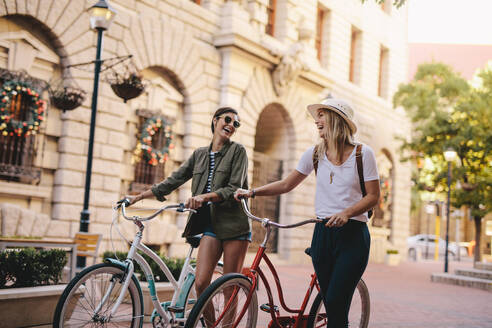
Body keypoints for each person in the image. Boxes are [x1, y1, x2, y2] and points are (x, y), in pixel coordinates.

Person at [235, 98, 380, 328]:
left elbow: (373, 196)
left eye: (322, 115)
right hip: (322, 233)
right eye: (317, 116)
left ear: (336, 120)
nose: (317, 121)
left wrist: (347, 212)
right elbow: (286, 184)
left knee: (335, 301)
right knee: (332, 306)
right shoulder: (315, 154)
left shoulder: (363, 154)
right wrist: (251, 192)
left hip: (353, 236)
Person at [126, 107, 251, 301]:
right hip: (211, 224)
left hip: (235, 225)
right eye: (227, 120)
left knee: (229, 288)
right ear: (215, 120)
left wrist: (204, 197)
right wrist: (139, 197)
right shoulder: (199, 154)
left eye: (235, 123)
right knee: (201, 284)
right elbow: (173, 180)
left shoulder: (238, 151)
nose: (230, 125)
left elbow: (233, 189)